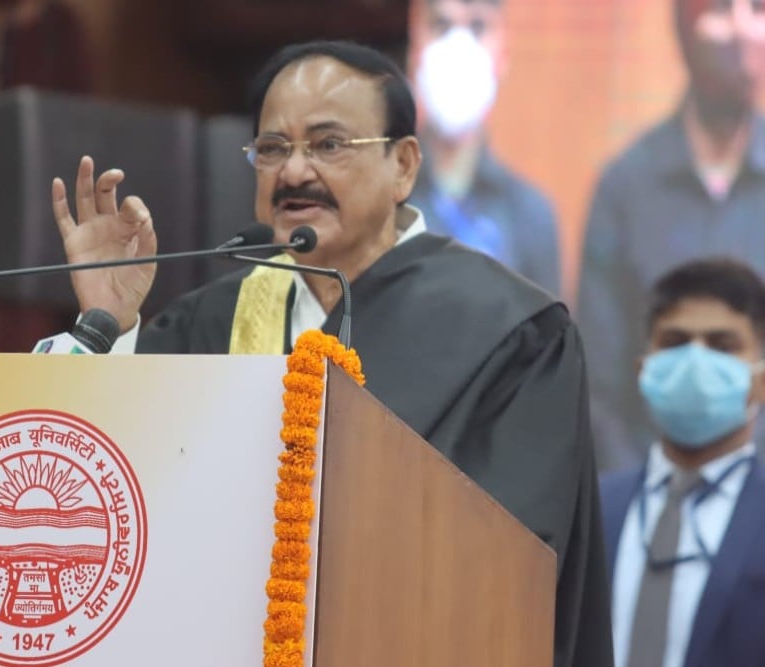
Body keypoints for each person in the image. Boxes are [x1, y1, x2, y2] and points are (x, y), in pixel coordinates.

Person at [48, 41, 613, 667]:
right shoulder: (212, 320)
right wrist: (108, 323)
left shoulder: (513, 332)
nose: (294, 172)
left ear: (403, 165)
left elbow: (514, 572)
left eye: (328, 144)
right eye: (272, 148)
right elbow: (102, 495)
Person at [577, 0, 765, 486]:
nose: (741, 31)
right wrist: (650, 502)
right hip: (642, 502)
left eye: (759, 9)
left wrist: (757, 509)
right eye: (720, 8)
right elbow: (599, 392)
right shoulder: (625, 187)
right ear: (685, 27)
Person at [601, 258, 765, 667]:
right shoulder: (584, 510)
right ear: (643, 371)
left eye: (722, 346)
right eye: (674, 342)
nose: (694, 362)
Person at [405, 0, 561, 295]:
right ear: (415, 50)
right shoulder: (380, 203)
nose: (458, 45)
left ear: (503, 57)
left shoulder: (530, 215)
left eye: (478, 27)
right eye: (441, 25)